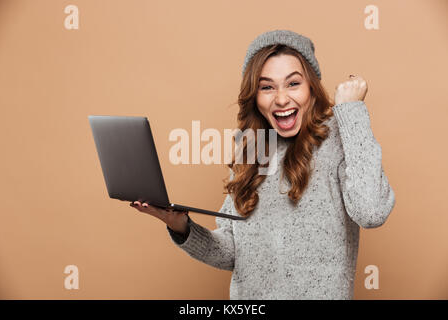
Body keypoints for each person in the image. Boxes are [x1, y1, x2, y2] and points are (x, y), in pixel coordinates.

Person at [129, 29, 396, 299]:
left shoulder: (340, 136)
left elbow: (371, 212)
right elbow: (234, 253)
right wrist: (181, 227)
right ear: (254, 97)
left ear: (312, 87)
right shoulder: (252, 148)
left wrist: (352, 113)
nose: (281, 99)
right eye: (266, 87)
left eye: (293, 84)